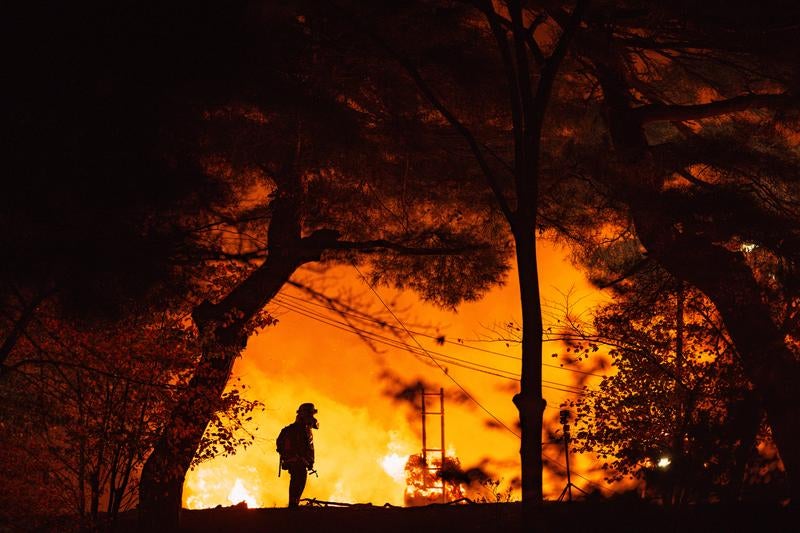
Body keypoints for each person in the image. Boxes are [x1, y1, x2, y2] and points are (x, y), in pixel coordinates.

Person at [277, 402, 318, 507]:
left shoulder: (305, 429)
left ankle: (294, 503)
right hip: (296, 460)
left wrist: (308, 460)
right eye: (310, 415)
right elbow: (296, 447)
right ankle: (293, 504)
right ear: (304, 415)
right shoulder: (296, 430)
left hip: (300, 461)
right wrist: (298, 458)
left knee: (299, 479)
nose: (312, 417)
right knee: (298, 479)